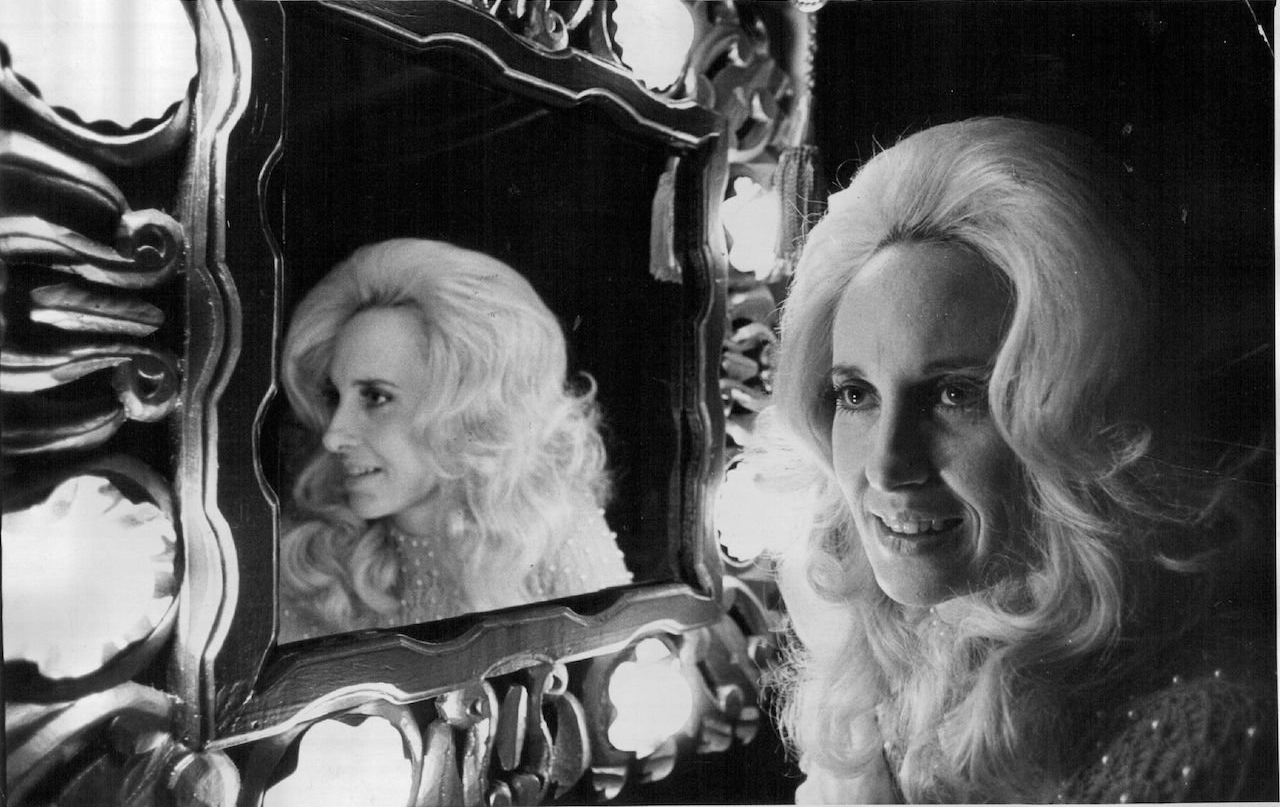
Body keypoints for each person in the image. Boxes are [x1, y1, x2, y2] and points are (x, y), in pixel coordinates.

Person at [748, 117, 1276, 802]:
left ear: (1087, 416)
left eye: (955, 394)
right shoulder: (910, 658)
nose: (886, 466)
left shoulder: (1204, 731)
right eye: (856, 394)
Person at [277, 238, 631, 642]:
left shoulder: (550, 533)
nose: (333, 436)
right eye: (333, 396)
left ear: (464, 407)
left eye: (376, 397)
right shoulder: (314, 558)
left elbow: (634, 668)